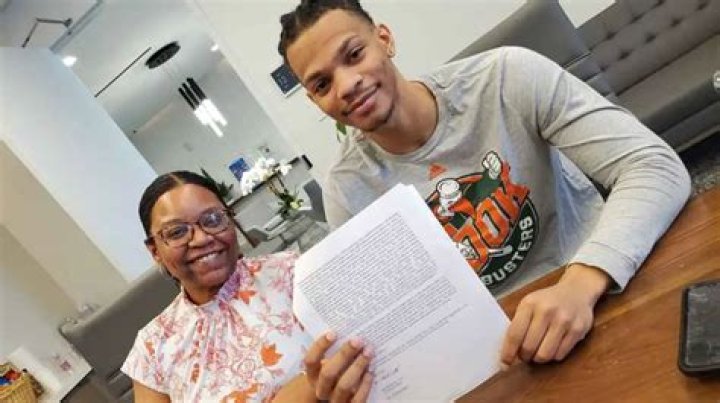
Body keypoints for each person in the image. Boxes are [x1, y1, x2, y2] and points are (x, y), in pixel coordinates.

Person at [278, 0, 691, 366]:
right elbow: (392, 326)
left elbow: (654, 165)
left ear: (384, 39)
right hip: (500, 354)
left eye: (354, 55)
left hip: (603, 284)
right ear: (315, 101)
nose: (346, 85)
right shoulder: (345, 189)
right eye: (322, 84)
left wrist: (579, 284)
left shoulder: (505, 76)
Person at [121, 171, 373, 402]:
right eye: (177, 232)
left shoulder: (293, 272)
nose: (202, 238)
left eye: (213, 219)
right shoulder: (152, 348)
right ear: (155, 251)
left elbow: (369, 342)